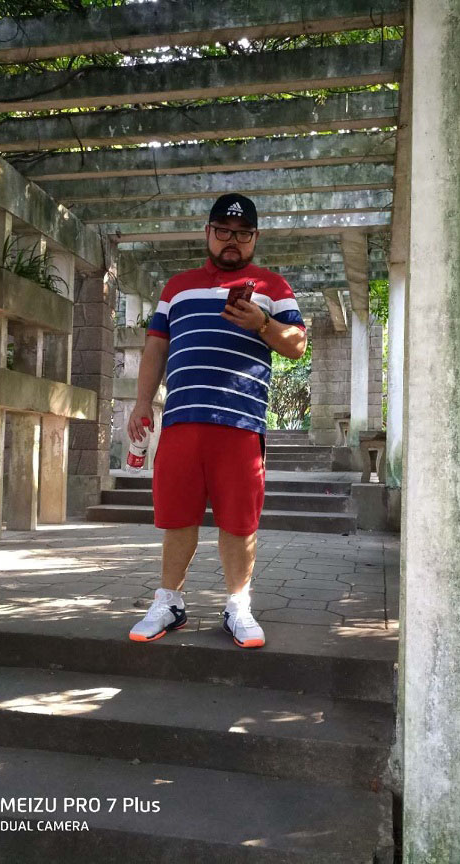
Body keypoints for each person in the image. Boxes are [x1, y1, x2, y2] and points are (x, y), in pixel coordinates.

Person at [127, 193, 307, 648]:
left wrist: (262, 324)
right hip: (182, 418)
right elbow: (156, 346)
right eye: (223, 231)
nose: (232, 241)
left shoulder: (273, 287)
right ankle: (169, 602)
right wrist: (142, 402)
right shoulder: (177, 287)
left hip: (241, 423)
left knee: (239, 520)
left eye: (243, 234)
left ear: (255, 238)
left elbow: (297, 345)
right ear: (207, 232)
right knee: (177, 515)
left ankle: (238, 606)